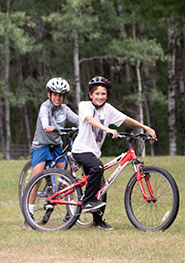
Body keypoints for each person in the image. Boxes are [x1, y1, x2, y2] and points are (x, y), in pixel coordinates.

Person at [71, 76, 157, 230]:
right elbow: (90, 120)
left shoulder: (108, 109)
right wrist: (108, 129)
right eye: (97, 94)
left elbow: (126, 119)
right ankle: (87, 202)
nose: (100, 97)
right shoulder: (84, 105)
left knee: (102, 186)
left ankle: (98, 221)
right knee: (97, 168)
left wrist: (146, 128)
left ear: (107, 95)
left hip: (93, 153)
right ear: (90, 95)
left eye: (103, 94)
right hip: (81, 150)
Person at [26, 77, 79, 222]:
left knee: (68, 176)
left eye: (61, 95)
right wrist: (46, 126)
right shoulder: (45, 107)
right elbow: (44, 119)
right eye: (55, 95)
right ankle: (29, 213)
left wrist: (88, 124)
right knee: (37, 177)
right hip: (41, 145)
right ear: (49, 95)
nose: (58, 98)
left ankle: (71, 212)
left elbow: (77, 119)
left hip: (56, 146)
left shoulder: (64, 109)